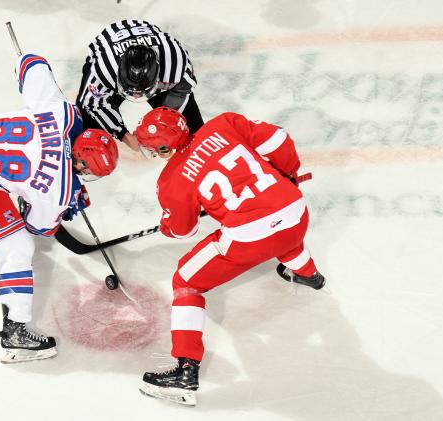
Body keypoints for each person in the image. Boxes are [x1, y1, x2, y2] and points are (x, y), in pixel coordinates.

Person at [0, 51, 119, 363]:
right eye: (87, 171)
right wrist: (60, 205)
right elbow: (39, 227)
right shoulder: (58, 191)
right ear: (82, 161)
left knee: (17, 203)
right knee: (18, 246)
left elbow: (30, 64)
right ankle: (15, 334)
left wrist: (46, 190)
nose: (85, 176)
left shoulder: (63, 113)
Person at [133, 107, 326, 406]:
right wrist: (287, 175)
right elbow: (278, 139)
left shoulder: (172, 180)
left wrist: (168, 226)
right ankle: (308, 274)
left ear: (162, 147)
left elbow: (184, 230)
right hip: (295, 209)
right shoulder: (224, 123)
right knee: (285, 233)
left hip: (251, 236)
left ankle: (185, 373)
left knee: (186, 280)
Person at [76, 19, 204, 152]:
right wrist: (123, 134)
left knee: (194, 132)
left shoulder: (175, 64)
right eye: (130, 91)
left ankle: (200, 150)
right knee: (85, 122)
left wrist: (167, 128)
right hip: (108, 45)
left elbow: (182, 91)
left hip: (155, 57)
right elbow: (93, 104)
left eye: (142, 91)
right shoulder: (104, 69)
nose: (136, 97)